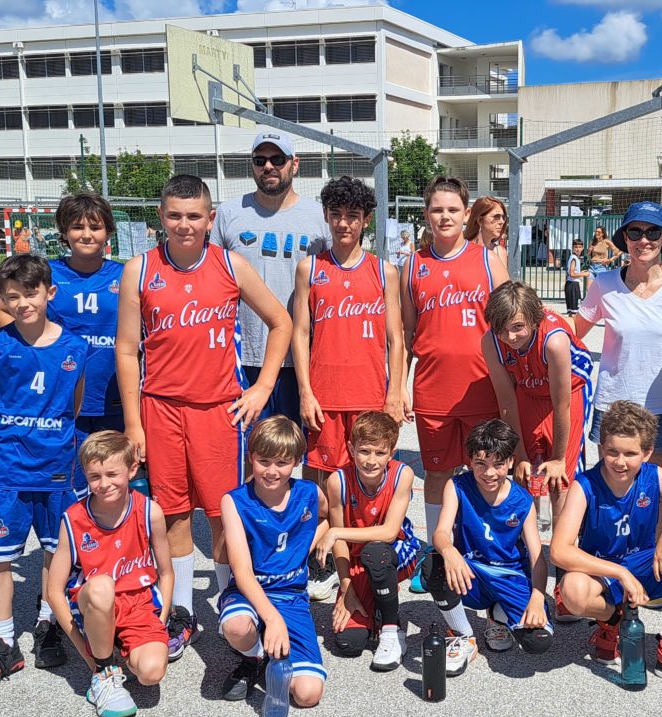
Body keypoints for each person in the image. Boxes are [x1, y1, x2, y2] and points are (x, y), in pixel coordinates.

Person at [115, 173, 293, 663]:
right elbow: (127, 350)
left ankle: (231, 602)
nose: (184, 225)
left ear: (210, 219)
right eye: (174, 215)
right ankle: (182, 613)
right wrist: (133, 423)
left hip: (219, 411)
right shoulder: (139, 270)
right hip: (160, 408)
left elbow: (281, 322)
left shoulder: (231, 265)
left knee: (221, 513)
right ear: (160, 217)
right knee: (173, 513)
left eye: (194, 216)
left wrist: (262, 387)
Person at [0, 254, 89, 693]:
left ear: (49, 293)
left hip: (58, 470)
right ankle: (3, 644)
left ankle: (47, 623)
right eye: (12, 297)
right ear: (2, 299)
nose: (22, 304)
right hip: (9, 469)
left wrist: (47, 434)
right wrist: (21, 432)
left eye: (30, 294)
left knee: (56, 552)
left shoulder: (75, 347)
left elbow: (74, 408)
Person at [551, 401, 662, 690]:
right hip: (603, 570)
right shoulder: (586, 485)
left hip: (646, 562)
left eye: (630, 453)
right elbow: (559, 550)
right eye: (612, 452)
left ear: (646, 453)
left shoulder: (654, 476)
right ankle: (613, 620)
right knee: (572, 591)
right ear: (602, 448)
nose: (620, 462)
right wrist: (620, 574)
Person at [400, 176, 508, 589]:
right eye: (436, 209)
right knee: (438, 475)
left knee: (488, 473)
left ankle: (487, 551)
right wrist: (400, 386)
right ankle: (436, 554)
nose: (444, 216)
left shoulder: (487, 261)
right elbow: (406, 334)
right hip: (433, 393)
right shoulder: (413, 266)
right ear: (426, 214)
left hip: (482, 390)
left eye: (452, 209)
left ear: (466, 214)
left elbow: (511, 325)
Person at [43, 431, 174, 717]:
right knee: (102, 586)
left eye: (112, 474)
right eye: (94, 477)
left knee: (151, 673)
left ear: (132, 469)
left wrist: (161, 620)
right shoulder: (73, 519)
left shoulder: (149, 511)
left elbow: (166, 573)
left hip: (139, 603)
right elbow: (53, 591)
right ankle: (104, 673)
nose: (104, 484)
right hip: (94, 601)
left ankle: (119, 644)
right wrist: (85, 653)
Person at [290, 175, 405, 501]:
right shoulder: (309, 268)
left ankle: (368, 536)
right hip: (324, 397)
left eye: (352, 216)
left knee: (370, 482)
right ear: (326, 215)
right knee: (321, 487)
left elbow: (396, 339)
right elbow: (300, 333)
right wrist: (305, 392)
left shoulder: (384, 272)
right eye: (336, 214)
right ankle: (323, 536)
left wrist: (394, 394)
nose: (343, 223)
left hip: (370, 395)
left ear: (366, 220)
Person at [573, 201, 662, 480]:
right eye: (635, 232)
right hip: (614, 405)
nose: (643, 240)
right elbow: (574, 332)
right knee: (613, 490)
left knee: (658, 493)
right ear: (625, 238)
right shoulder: (604, 284)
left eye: (652, 232)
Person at [0, 193, 127, 459]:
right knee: (67, 471)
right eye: (77, 227)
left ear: (109, 231)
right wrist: (37, 346)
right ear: (64, 232)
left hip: (112, 393)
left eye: (95, 227)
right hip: (60, 391)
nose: (86, 235)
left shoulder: (125, 274)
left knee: (109, 472)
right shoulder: (48, 273)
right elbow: (0, 309)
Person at [210, 130, 331, 423]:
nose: (268, 166)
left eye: (277, 159)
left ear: (294, 164)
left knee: (299, 445)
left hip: (301, 360)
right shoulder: (229, 213)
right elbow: (212, 282)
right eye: (260, 160)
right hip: (244, 357)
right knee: (250, 446)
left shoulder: (320, 216)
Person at [216, 416, 331, 707]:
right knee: (237, 627)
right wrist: (272, 618)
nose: (271, 471)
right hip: (248, 591)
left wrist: (310, 545)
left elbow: (328, 516)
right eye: (263, 461)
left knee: (308, 694)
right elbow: (242, 572)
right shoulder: (234, 501)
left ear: (297, 461)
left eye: (281, 463)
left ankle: (271, 645)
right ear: (251, 457)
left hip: (291, 595)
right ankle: (253, 657)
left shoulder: (309, 493)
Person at [429, 420, 552, 673]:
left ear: (511, 462)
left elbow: (537, 557)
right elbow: (440, 533)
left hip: (509, 575)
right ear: (470, 461)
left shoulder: (522, 500)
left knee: (538, 642)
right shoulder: (457, 486)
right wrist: (449, 551)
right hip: (472, 571)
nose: (489, 473)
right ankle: (464, 636)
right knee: (434, 565)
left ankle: (498, 614)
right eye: (481, 464)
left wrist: (538, 597)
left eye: (498, 464)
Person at [316, 412, 422, 670]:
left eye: (380, 453)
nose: (371, 460)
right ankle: (376, 605)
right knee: (349, 643)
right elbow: (340, 544)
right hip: (357, 557)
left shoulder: (403, 474)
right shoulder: (338, 481)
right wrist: (346, 588)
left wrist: (336, 532)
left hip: (396, 551)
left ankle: (391, 629)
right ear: (351, 449)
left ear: (392, 453)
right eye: (364, 451)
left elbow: (389, 532)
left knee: (376, 553)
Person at [483, 280, 594, 526]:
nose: (510, 337)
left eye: (517, 327)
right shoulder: (491, 341)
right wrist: (520, 455)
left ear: (535, 320)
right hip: (529, 388)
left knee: (559, 479)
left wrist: (558, 459)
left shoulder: (554, 341)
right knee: (526, 473)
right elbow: (506, 401)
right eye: (501, 329)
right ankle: (528, 541)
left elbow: (562, 405)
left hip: (569, 391)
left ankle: (562, 545)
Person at [462, 195, 512, 275]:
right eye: (496, 217)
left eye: (503, 217)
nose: (502, 221)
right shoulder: (462, 250)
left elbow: (504, 282)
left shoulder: (500, 251)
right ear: (480, 220)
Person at [564, 238, 587, 316]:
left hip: (572, 284)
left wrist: (580, 273)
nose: (578, 249)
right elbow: (572, 274)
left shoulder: (575, 258)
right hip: (572, 285)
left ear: (582, 248)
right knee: (574, 312)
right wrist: (584, 274)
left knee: (573, 311)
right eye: (576, 247)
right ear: (573, 248)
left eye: (580, 247)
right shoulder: (574, 258)